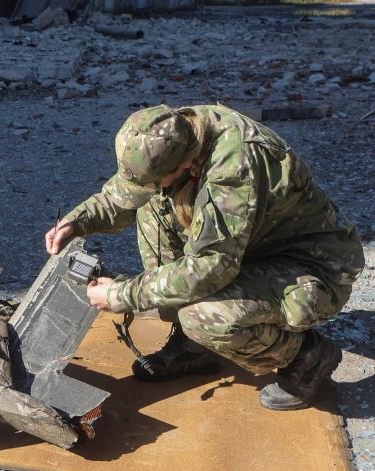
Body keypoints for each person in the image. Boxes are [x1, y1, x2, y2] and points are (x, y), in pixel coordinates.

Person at [45, 104, 364, 410]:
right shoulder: (176, 132)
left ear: (185, 164)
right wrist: (78, 221)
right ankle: (193, 345)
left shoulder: (233, 169)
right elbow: (131, 190)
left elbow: (212, 267)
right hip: (252, 251)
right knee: (154, 205)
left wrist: (122, 294)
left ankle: (306, 356)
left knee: (204, 316)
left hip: (313, 269)